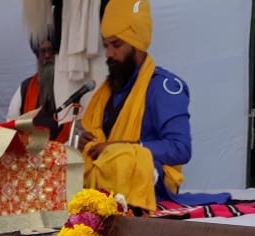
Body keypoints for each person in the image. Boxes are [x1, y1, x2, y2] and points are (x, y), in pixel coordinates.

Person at [76, 0, 229, 211]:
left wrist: (122, 148)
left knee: (121, 159)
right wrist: (89, 142)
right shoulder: (110, 89)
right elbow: (102, 141)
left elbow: (181, 149)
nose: (109, 54)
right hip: (110, 182)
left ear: (136, 44)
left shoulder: (163, 87)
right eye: (106, 46)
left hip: (149, 184)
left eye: (117, 45)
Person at [5, 36, 73, 143]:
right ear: (37, 56)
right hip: (30, 152)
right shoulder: (26, 87)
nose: (47, 56)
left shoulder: (74, 87)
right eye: (43, 51)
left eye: (51, 50)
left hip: (65, 151)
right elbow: (11, 124)